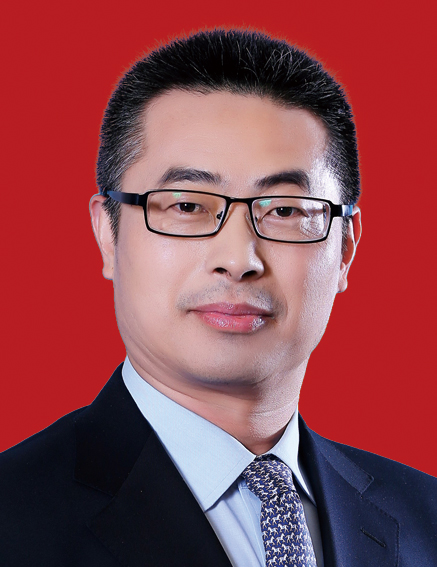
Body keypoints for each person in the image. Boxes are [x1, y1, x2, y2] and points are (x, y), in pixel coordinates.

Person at [0, 28, 435, 567]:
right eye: (187, 206)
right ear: (108, 235)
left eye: (284, 210)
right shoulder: (13, 517)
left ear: (345, 248)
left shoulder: (426, 517)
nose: (238, 258)